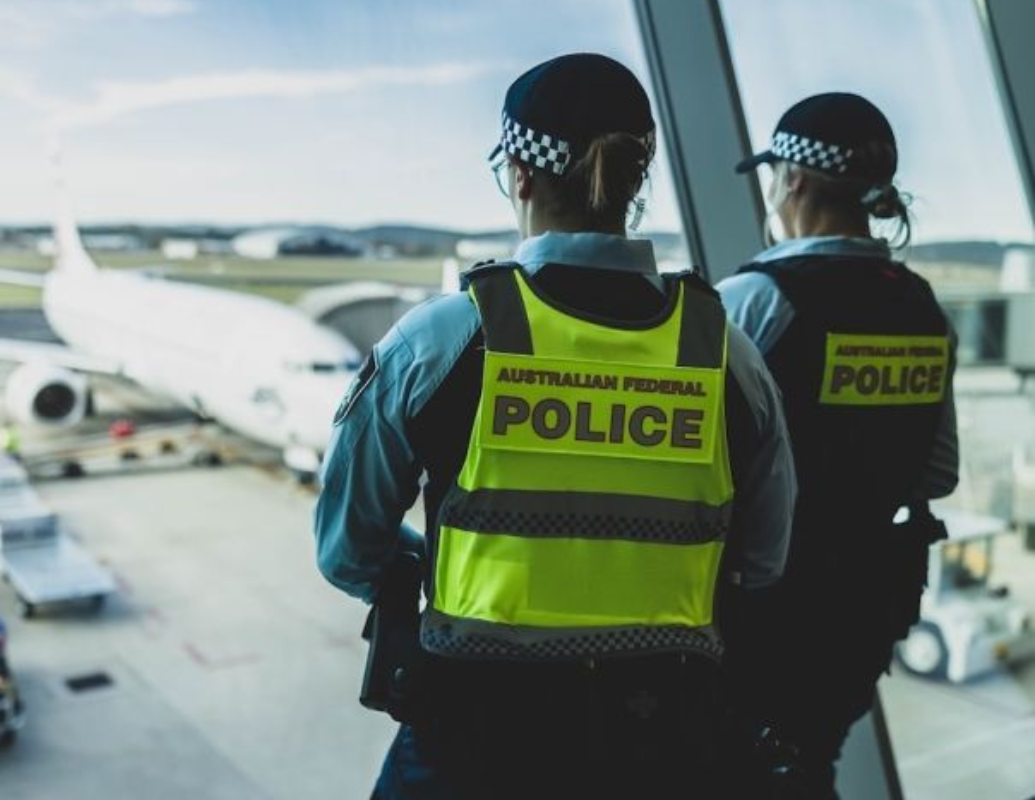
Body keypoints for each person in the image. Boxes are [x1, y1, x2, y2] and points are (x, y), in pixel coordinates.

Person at [315, 53, 796, 799]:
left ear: (520, 173)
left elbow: (347, 551)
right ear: (637, 179)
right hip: (663, 736)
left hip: (474, 730)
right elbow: (762, 561)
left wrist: (434, 569)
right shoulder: (725, 353)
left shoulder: (444, 339)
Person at [717, 92, 960, 797]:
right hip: (859, 613)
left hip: (756, 613)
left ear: (791, 179)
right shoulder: (921, 308)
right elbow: (937, 473)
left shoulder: (753, 302)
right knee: (808, 764)